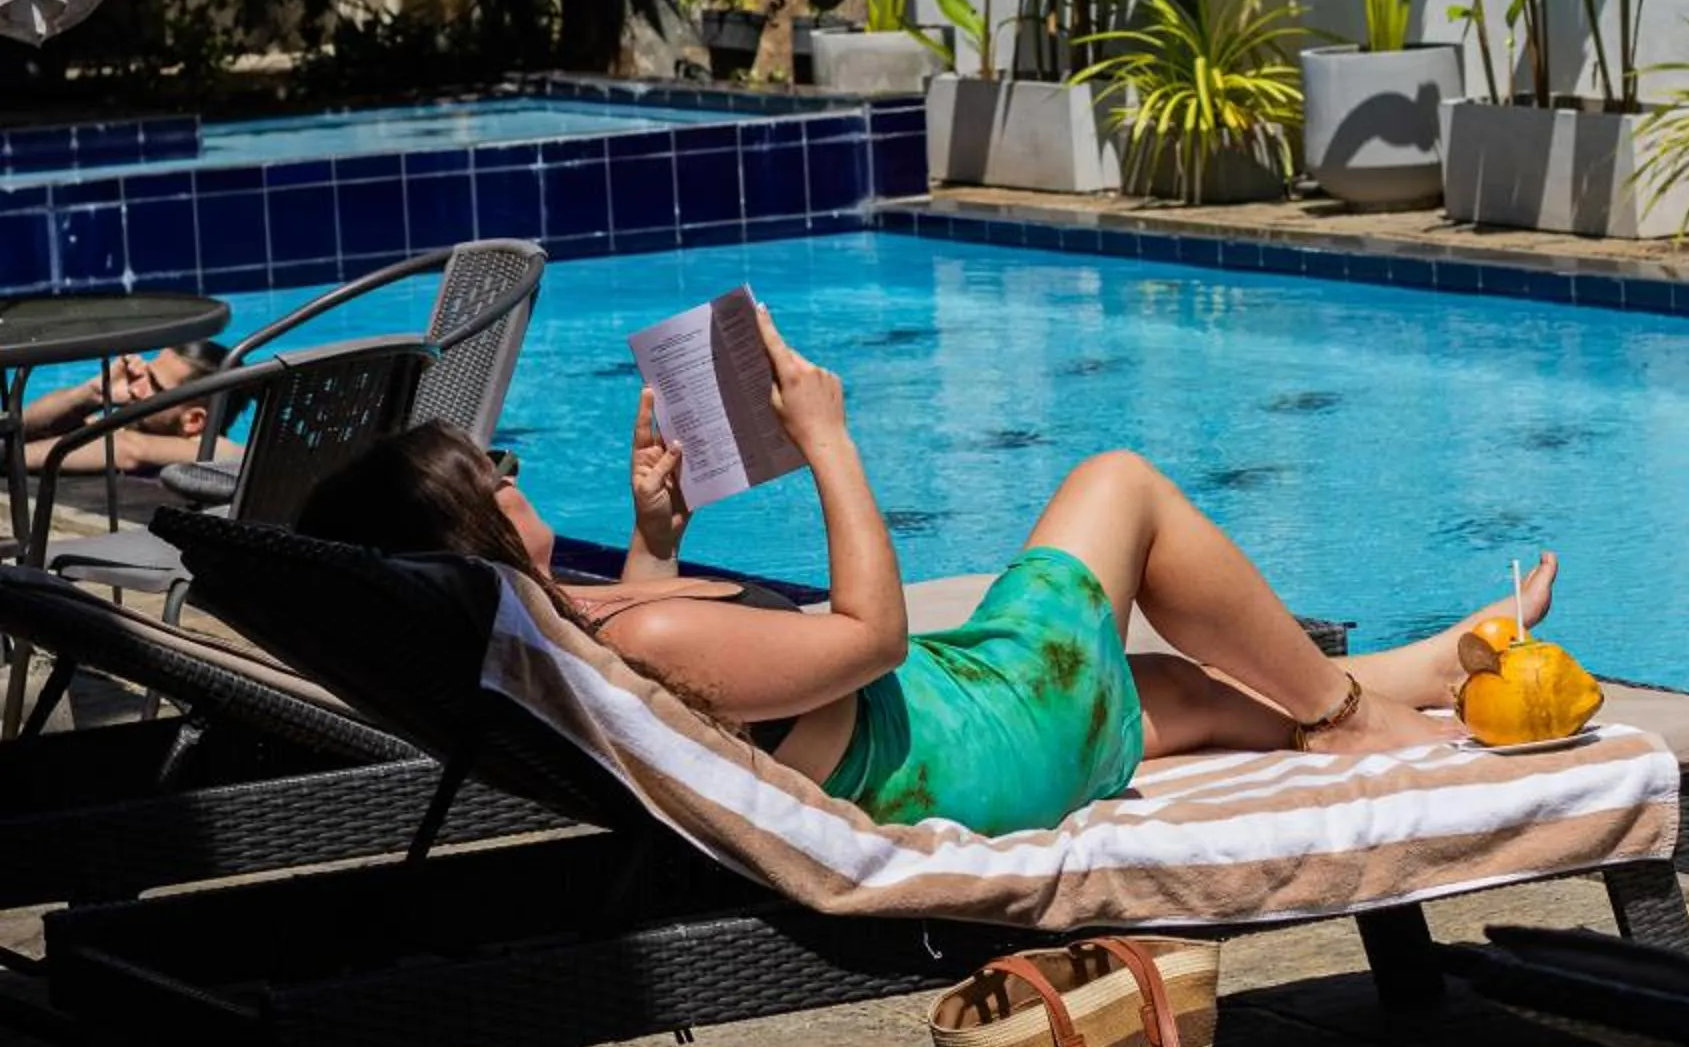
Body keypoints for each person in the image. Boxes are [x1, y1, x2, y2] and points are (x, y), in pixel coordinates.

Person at [298, 304, 1560, 837]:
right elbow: (870, 639)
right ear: (468, 524)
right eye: (496, 474)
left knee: (1169, 691)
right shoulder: (639, 649)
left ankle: (1421, 672)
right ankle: (1350, 723)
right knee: (1115, 486)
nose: (517, 477)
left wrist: (659, 539)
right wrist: (828, 442)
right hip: (967, 735)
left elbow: (694, 692)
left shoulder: (579, 638)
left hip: (959, 737)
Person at [21, 340, 236, 476]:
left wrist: (9, 460)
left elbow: (131, 449)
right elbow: (24, 427)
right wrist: (92, 393)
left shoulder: (222, 451)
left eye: (152, 383)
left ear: (193, 420)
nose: (135, 387)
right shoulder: (143, 428)